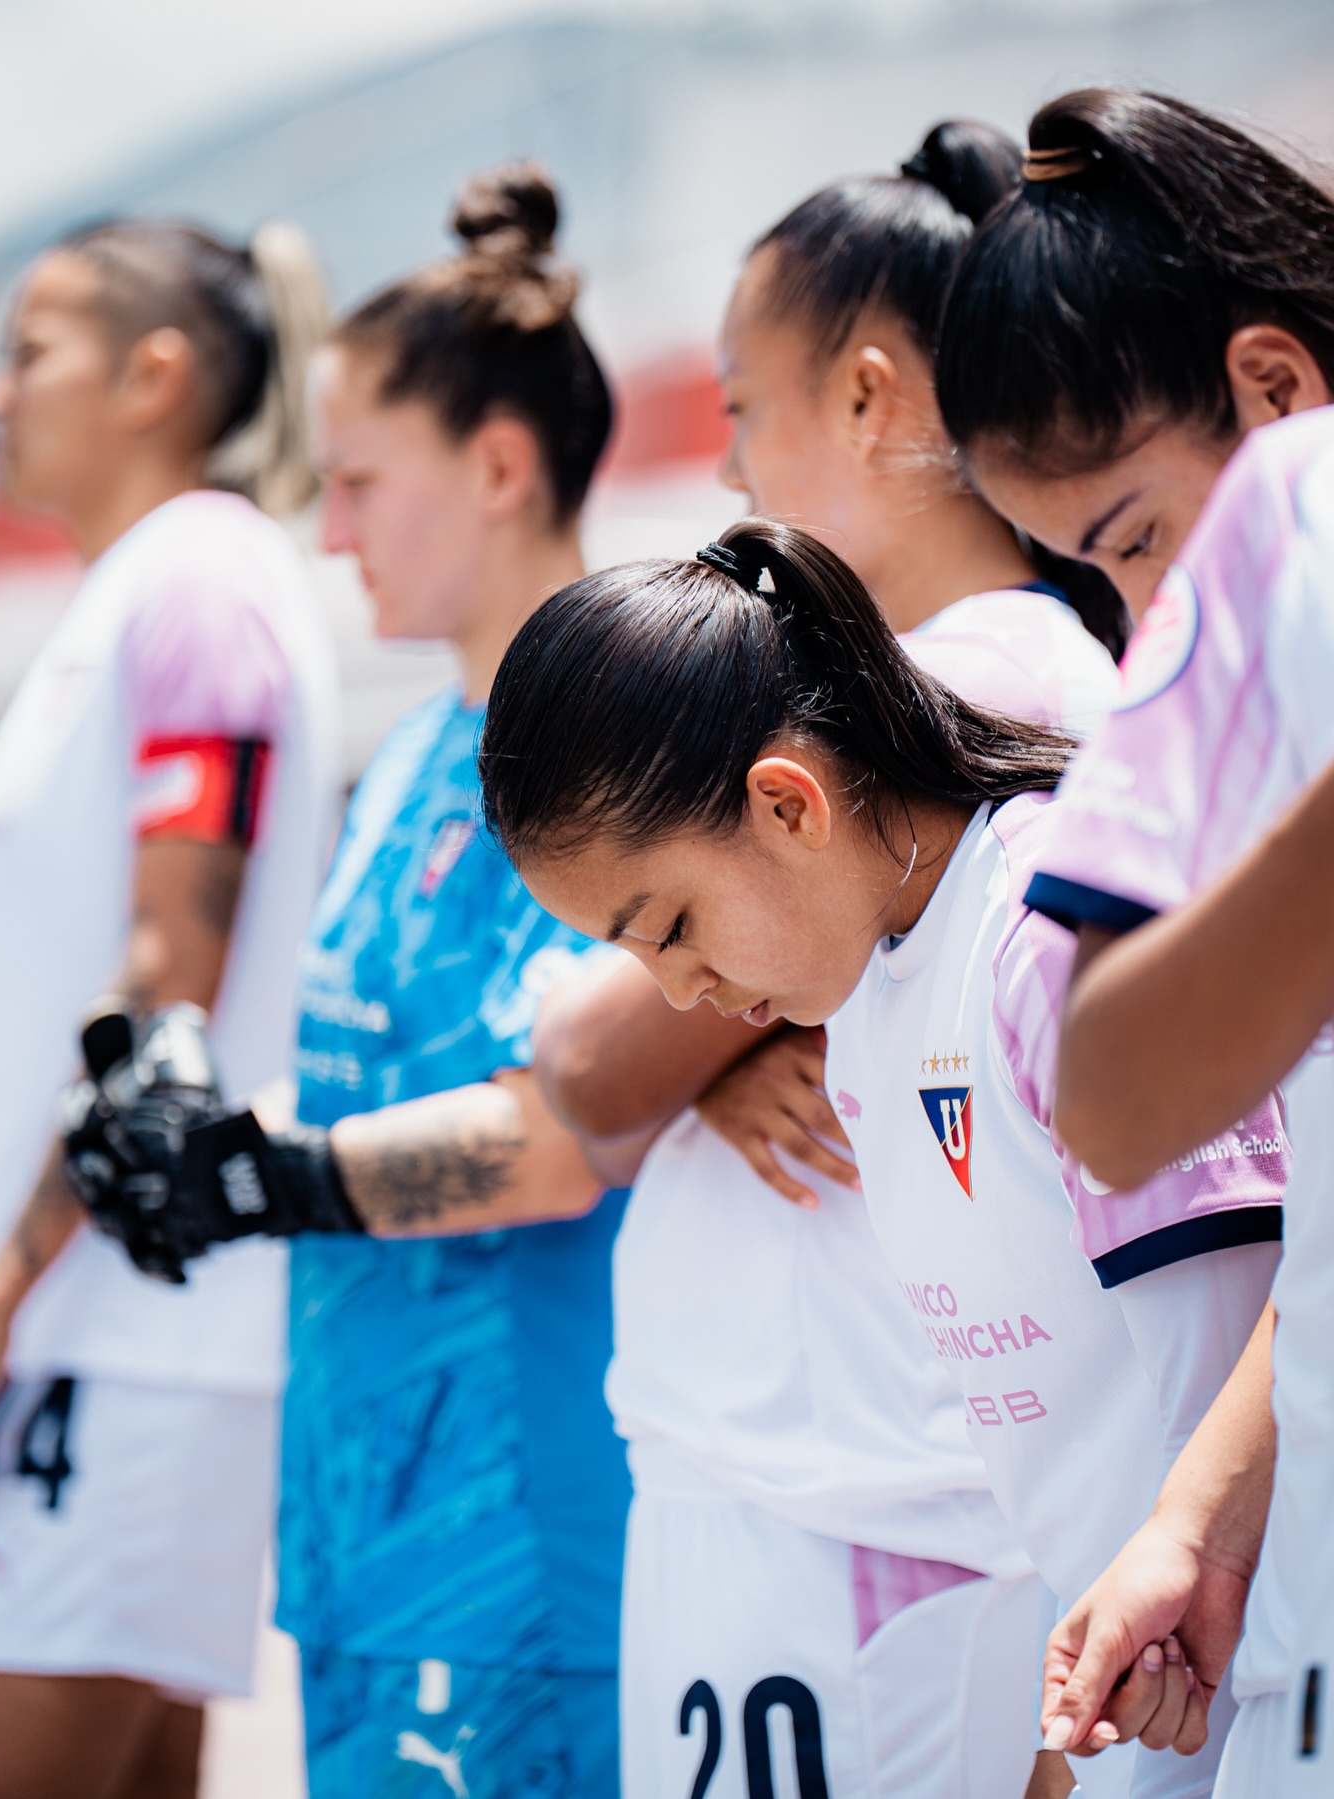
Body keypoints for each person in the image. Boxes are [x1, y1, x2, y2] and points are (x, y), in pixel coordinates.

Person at [477, 516, 1290, 1799]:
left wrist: (1195, 1553)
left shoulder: (1046, 937)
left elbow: (1284, 1322)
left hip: (1279, 1675)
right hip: (1170, 1703)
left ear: (786, 802)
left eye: (673, 927)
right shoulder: (863, 1007)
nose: (682, 993)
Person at [531, 120, 1126, 1799]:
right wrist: (721, 1041)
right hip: (805, 1503)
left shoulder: (986, 685)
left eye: (742, 405)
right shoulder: (913, 719)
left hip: (869, 1520)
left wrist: (685, 1045)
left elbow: (586, 1062)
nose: (728, 464)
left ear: (870, 396)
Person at [69, 164, 632, 1799]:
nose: (329, 529)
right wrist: (189, 1137)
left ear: (500, 466)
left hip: (520, 1548)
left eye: (362, 481)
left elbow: (565, 1128)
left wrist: (256, 1176)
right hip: (361, 1531)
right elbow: (371, 1090)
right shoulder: (410, 757)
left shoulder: (613, 749)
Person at [0, 219, 341, 1798]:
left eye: (30, 353)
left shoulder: (200, 581)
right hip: (110, 1341)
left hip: (121, 1345)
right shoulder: (143, 590)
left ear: (155, 375)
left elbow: (167, 992)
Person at [927, 88, 1334, 1786]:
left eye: (1141, 542)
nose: (1147, 619)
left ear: (1276, 392)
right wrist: (1197, 1514)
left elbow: (1112, 1088)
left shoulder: (1289, 521)